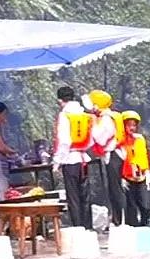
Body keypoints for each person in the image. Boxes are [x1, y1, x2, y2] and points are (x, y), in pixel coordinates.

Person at [53, 85, 94, 228]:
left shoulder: (65, 115)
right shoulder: (84, 115)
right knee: (85, 195)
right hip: (83, 158)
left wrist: (56, 161)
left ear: (60, 100)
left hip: (70, 159)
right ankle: (88, 227)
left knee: (73, 197)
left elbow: (64, 141)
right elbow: (90, 139)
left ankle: (78, 227)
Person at [85, 89, 125, 228]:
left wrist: (92, 124)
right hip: (110, 155)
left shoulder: (106, 119)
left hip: (113, 156)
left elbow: (100, 138)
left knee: (116, 189)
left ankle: (121, 220)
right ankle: (117, 218)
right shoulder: (105, 116)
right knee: (113, 189)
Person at [117, 111, 150, 226]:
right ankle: (135, 229)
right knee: (131, 208)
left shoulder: (140, 139)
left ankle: (144, 224)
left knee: (146, 206)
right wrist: (121, 178)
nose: (132, 128)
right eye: (129, 125)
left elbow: (144, 156)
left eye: (134, 125)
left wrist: (147, 173)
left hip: (141, 177)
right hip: (127, 178)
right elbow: (118, 162)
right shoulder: (120, 142)